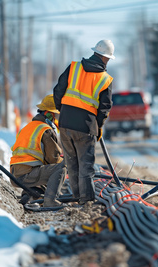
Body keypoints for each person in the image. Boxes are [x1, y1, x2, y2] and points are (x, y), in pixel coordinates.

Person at [53, 39, 115, 205]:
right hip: (86, 127)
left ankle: (76, 197)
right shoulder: (105, 79)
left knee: (72, 165)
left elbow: (58, 90)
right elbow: (104, 109)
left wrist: (64, 111)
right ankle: (86, 201)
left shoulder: (74, 67)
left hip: (65, 124)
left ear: (95, 52)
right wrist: (98, 126)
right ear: (105, 58)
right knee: (85, 166)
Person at [10, 95, 66, 207]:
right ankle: (51, 201)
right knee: (61, 168)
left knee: (43, 172)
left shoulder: (28, 127)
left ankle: (29, 194)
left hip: (15, 175)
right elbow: (53, 159)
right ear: (50, 114)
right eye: (57, 115)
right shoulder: (45, 130)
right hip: (27, 174)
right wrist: (68, 162)